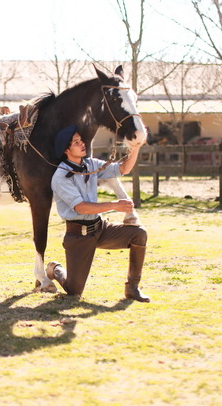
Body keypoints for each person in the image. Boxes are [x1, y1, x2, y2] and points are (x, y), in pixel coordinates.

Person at [47, 125, 150, 301]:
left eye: (82, 140)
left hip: (101, 228)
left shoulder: (91, 164)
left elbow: (123, 169)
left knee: (139, 234)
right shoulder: (60, 176)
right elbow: (81, 208)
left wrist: (136, 147)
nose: (82, 144)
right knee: (74, 291)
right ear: (66, 149)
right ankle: (54, 269)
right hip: (79, 235)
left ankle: (132, 289)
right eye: (76, 142)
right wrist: (115, 205)